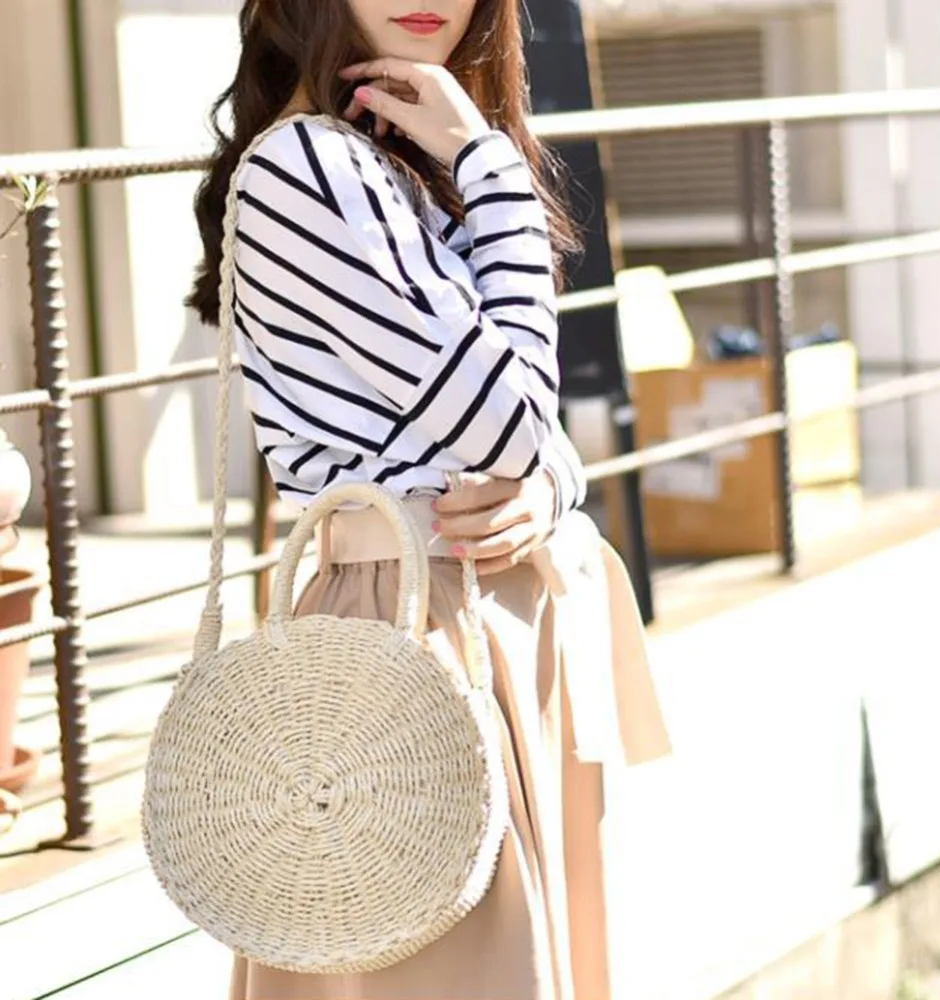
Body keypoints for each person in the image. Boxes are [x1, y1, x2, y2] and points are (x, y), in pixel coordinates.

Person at [187, 3, 671, 998]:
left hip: (498, 611)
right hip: (412, 622)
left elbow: (524, 427)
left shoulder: (404, 157)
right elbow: (508, 425)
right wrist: (493, 170)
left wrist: (551, 484)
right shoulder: (309, 168)